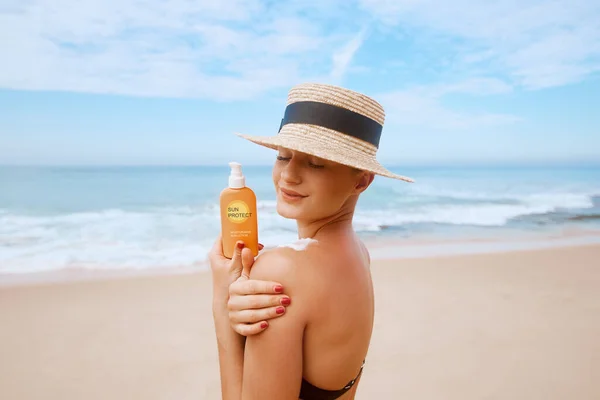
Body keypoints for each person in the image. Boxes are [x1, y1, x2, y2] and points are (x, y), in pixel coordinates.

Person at [209, 83, 413, 399]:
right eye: (282, 156)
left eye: (314, 162)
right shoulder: (359, 252)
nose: (288, 175)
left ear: (361, 179)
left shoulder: (283, 270)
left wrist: (222, 302)